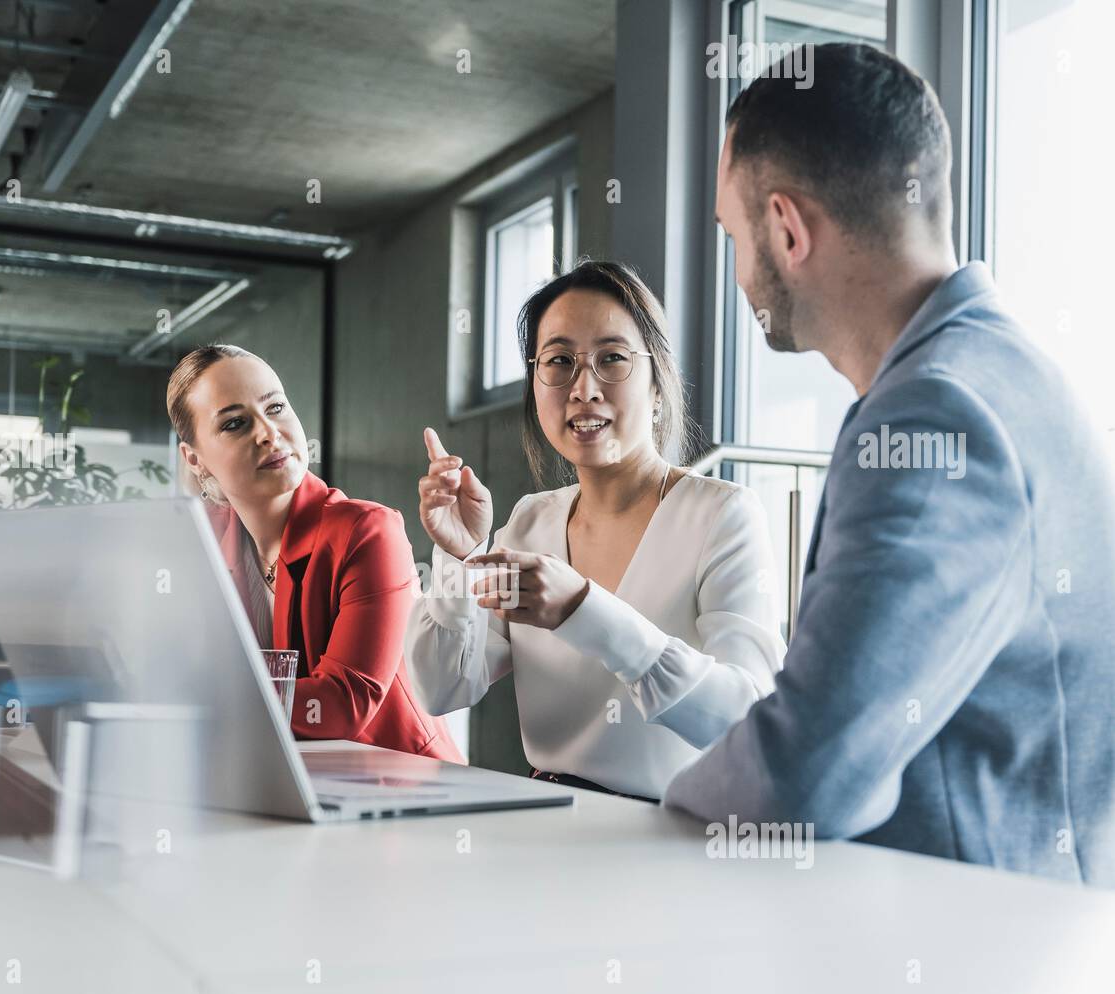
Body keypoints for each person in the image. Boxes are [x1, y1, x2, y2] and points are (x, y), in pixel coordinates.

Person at [665, 42, 1115, 886]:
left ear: (788, 229)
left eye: (733, 232)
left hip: (967, 971)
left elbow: (806, 772)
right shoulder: (995, 375)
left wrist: (663, 805)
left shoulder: (940, 413)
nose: (735, 269)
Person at [405, 260, 785, 802]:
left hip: (672, 838)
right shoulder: (532, 521)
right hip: (549, 828)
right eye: (559, 361)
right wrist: (457, 558)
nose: (583, 388)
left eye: (611, 359)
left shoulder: (724, 516)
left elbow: (746, 716)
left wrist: (585, 609)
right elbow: (442, 687)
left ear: (658, 386)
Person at [168, 343, 462, 762]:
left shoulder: (367, 531)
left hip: (401, 784)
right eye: (235, 423)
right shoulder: (205, 540)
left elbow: (345, 703)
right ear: (195, 459)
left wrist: (206, 693)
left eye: (276, 408)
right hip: (284, 774)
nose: (269, 433)